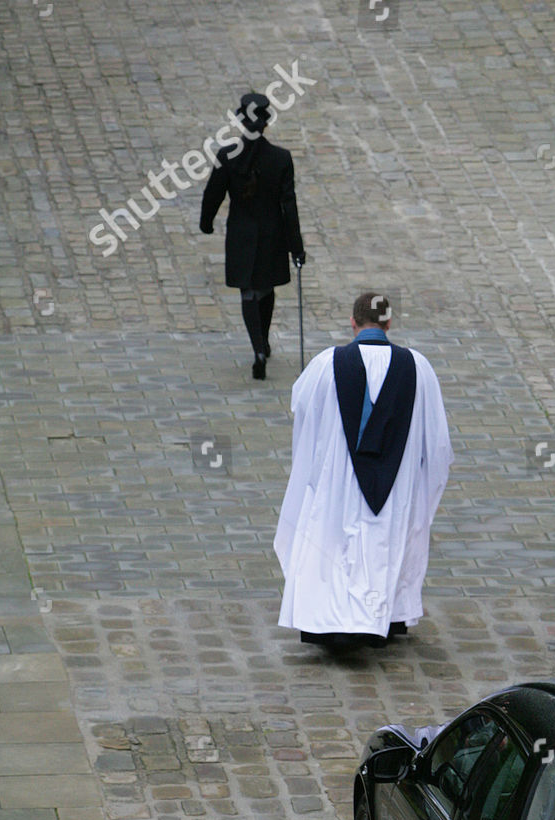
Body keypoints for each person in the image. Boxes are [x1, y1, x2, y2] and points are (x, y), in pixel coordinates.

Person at [274, 291, 453, 652]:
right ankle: (383, 617)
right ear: (389, 323)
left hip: (337, 480)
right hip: (396, 483)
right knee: (383, 546)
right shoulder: (418, 368)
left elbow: (302, 411)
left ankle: (332, 623)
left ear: (353, 323)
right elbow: (437, 442)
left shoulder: (326, 364)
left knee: (333, 546)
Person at [199, 92, 305, 380]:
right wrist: (296, 247)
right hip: (272, 234)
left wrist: (206, 223)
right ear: (266, 123)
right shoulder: (281, 158)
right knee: (266, 288)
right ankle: (264, 341)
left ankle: (258, 348)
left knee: (249, 291)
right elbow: (289, 205)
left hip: (241, 233)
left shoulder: (227, 156)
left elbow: (213, 193)